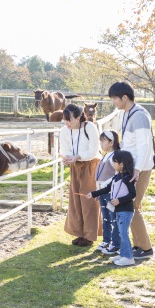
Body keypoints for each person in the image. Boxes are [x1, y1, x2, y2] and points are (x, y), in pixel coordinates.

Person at [108, 81, 155, 260]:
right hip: (131, 168)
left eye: (115, 98)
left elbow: (144, 146)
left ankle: (145, 248)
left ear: (124, 97)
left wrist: (135, 170)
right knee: (132, 206)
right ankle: (139, 245)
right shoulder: (127, 114)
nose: (114, 102)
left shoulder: (140, 116)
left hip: (140, 168)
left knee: (132, 206)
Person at [86, 150, 137, 266]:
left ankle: (129, 257)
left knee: (123, 233)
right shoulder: (116, 177)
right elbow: (107, 189)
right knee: (120, 232)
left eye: (115, 162)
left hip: (125, 210)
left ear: (121, 164)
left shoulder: (128, 178)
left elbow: (133, 194)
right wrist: (94, 193)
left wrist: (119, 200)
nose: (113, 164)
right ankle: (123, 254)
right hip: (118, 210)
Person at [60, 103, 101, 247]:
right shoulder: (64, 131)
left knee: (88, 199)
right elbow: (64, 149)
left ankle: (89, 235)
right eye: (64, 119)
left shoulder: (89, 127)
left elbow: (94, 150)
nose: (66, 122)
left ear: (78, 117)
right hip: (75, 166)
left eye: (69, 119)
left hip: (90, 165)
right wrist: (67, 157)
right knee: (75, 198)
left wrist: (78, 156)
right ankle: (79, 232)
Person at [95, 130, 121, 255]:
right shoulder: (105, 155)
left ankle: (116, 243)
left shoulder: (115, 156)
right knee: (105, 217)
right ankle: (107, 240)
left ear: (111, 142)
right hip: (102, 192)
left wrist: (104, 186)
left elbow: (116, 175)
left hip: (110, 192)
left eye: (103, 141)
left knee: (113, 218)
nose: (101, 143)